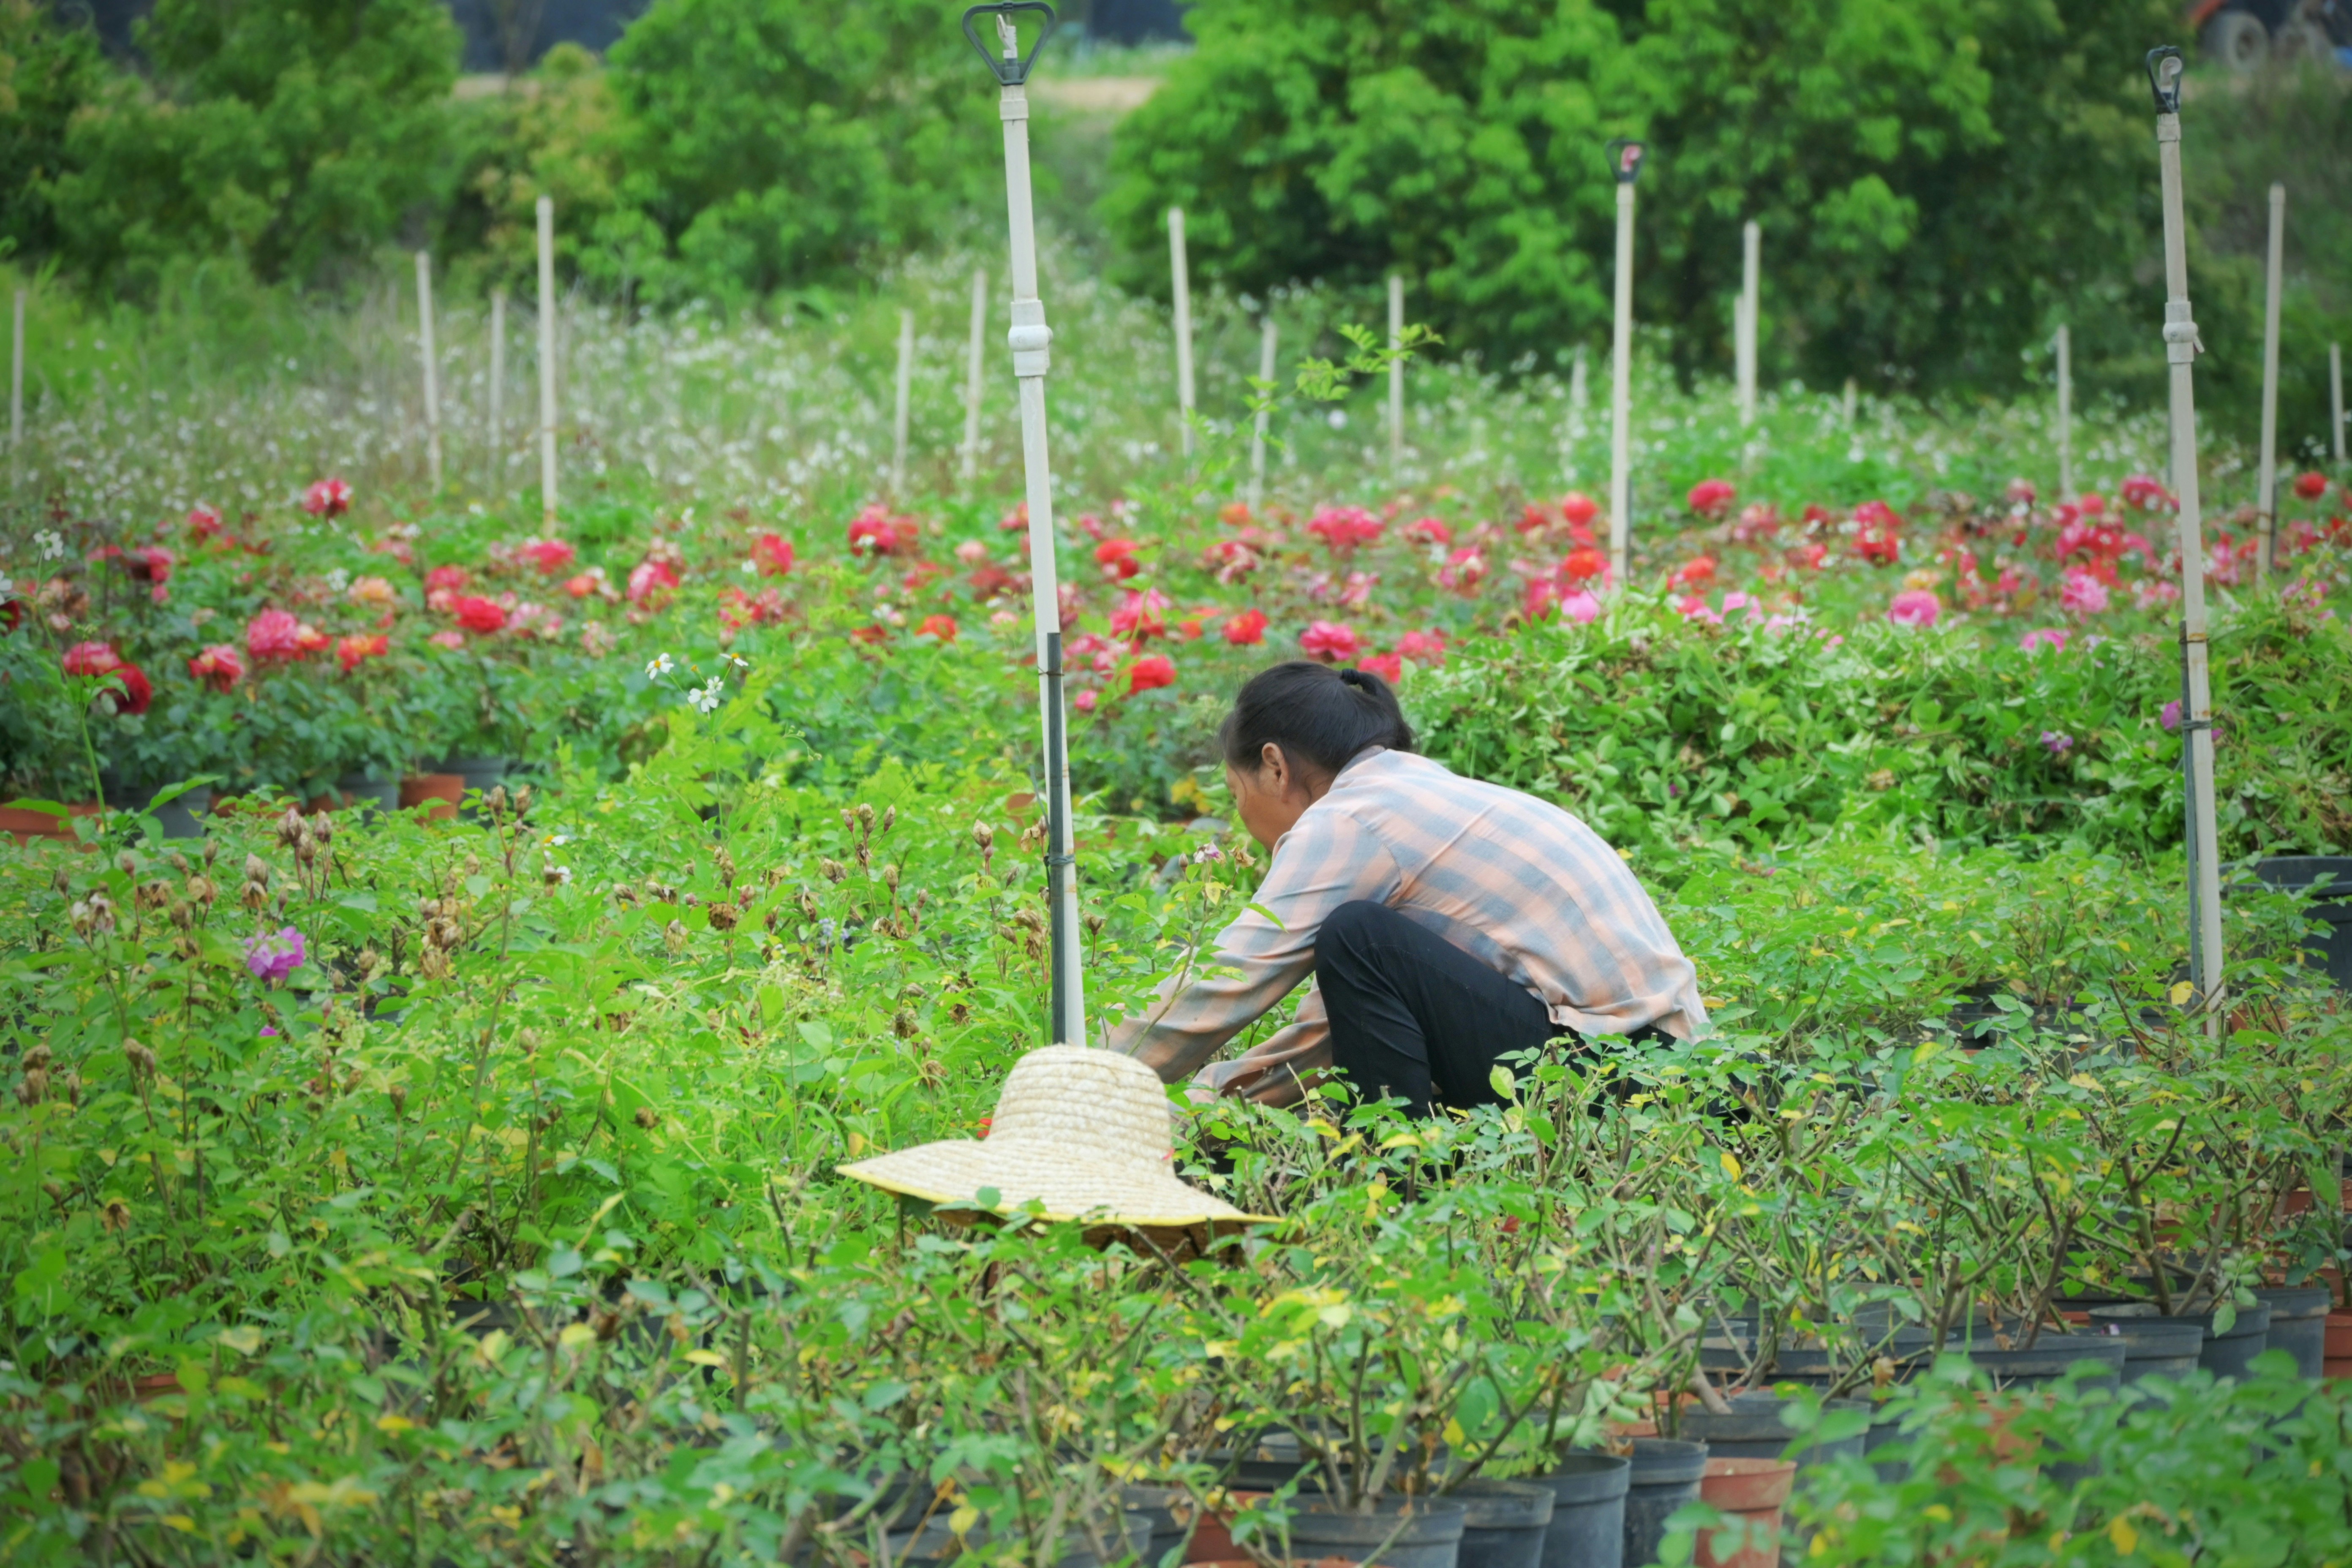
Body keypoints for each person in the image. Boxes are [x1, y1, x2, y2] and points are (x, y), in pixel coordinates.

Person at [1108, 660, 1708, 1115]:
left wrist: (1086, 1088)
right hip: (1676, 1075)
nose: (1242, 819)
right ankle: (1408, 1157)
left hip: (1616, 1074)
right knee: (1359, 941)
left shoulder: (1349, 819)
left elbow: (1225, 979)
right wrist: (1199, 1112)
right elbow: (1331, 1033)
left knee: (1357, 935)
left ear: (1274, 766)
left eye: (1237, 797)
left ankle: (1400, 1167)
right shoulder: (1416, 793)